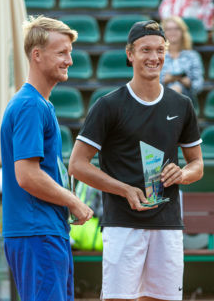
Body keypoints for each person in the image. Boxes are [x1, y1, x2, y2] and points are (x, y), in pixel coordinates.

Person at [68, 20, 204, 301]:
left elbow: (197, 165)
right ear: (130, 54)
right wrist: (124, 190)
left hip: (168, 223)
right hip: (122, 224)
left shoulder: (181, 105)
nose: (154, 57)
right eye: (145, 50)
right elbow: (77, 165)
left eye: (159, 50)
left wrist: (182, 174)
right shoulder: (108, 105)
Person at [0, 15, 93, 301]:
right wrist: (73, 201)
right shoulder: (30, 105)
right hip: (38, 231)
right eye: (62, 53)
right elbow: (27, 176)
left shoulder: (37, 103)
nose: (70, 60)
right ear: (37, 55)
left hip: (43, 230)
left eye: (70, 53)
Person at [160, 16, 204, 102]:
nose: (173, 32)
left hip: (187, 98)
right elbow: (150, 86)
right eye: (168, 29)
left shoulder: (192, 56)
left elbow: (199, 85)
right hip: (161, 98)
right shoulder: (157, 57)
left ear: (182, 32)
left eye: (176, 29)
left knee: (177, 89)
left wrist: (189, 83)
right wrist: (164, 80)